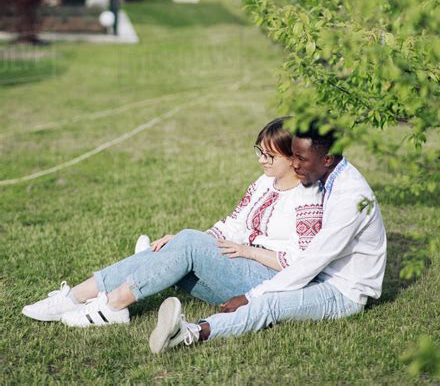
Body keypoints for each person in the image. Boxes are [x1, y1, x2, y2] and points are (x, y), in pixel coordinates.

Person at [22, 117, 323, 327]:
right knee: (178, 249)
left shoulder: (308, 197)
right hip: (239, 268)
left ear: (293, 157)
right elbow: (231, 224)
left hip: (268, 283)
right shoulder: (264, 182)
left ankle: (113, 305)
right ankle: (74, 296)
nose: (261, 161)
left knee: (185, 245)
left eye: (270, 156)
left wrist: (249, 252)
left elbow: (301, 262)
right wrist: (188, 242)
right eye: (260, 152)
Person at [147, 121, 387, 353]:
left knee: (268, 303)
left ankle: (191, 332)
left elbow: (311, 260)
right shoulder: (330, 175)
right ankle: (155, 263)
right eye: (293, 156)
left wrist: (251, 296)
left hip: (342, 291)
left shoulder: (350, 198)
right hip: (318, 275)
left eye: (301, 159)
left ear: (326, 159)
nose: (294, 165)